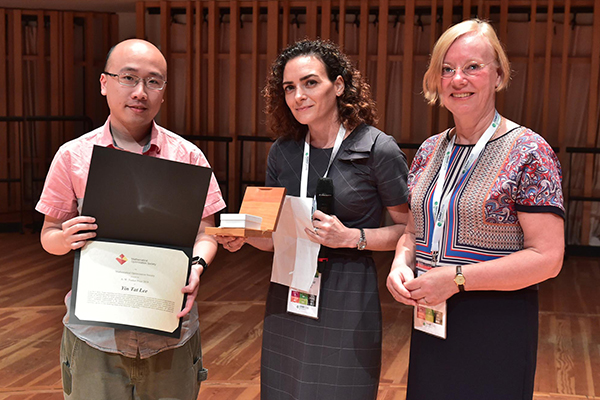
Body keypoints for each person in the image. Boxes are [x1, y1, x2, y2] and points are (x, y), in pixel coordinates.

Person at [216, 39, 410, 399]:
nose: (297, 96)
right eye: (289, 87)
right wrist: (244, 236)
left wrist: (352, 237)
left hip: (348, 290)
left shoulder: (377, 149)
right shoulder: (283, 151)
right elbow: (274, 235)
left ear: (338, 86)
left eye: (310, 83)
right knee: (283, 390)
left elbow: (408, 230)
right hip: (289, 286)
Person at [36, 39, 226, 399]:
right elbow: (49, 233)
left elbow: (207, 231)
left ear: (164, 92)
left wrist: (197, 267)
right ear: (105, 83)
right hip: (94, 336)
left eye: (154, 82)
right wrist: (65, 238)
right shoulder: (73, 156)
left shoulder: (187, 156)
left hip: (171, 332)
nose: (141, 92)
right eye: (129, 78)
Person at [386, 19, 565, 399]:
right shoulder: (430, 150)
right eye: (447, 70)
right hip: (430, 315)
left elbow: (548, 258)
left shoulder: (530, 152)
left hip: (496, 323)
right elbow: (414, 231)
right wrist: (401, 263)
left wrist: (457, 279)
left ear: (498, 74)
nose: (458, 79)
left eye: (472, 67)